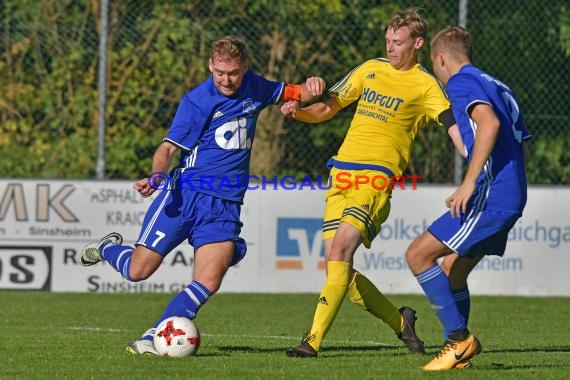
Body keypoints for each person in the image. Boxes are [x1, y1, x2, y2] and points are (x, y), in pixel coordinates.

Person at [79, 35, 325, 355]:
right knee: (138, 271)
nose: (226, 80)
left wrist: (315, 85)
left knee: (209, 279)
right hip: (185, 196)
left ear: (244, 68)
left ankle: (156, 335)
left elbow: (296, 92)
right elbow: (168, 148)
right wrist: (156, 175)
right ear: (210, 65)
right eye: (219, 72)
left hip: (224, 204)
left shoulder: (256, 86)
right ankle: (108, 248)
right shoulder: (197, 101)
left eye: (233, 73)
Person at [281, 8, 459, 358]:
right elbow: (328, 108)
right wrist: (298, 111)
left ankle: (311, 341)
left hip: (376, 177)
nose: (391, 47)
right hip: (341, 174)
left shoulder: (425, 84)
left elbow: (451, 123)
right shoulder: (370, 69)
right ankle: (401, 323)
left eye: (398, 42)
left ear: (418, 43)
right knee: (340, 273)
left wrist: (475, 157)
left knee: (340, 251)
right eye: (388, 40)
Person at [405, 26, 531, 371]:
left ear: (440, 60)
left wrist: (469, 182)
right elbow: (519, 143)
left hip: (491, 193)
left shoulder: (461, 83)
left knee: (418, 255)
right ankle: (459, 356)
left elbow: (487, 125)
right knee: (452, 270)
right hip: (511, 192)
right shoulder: (497, 85)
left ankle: (458, 341)